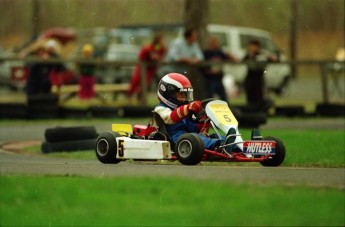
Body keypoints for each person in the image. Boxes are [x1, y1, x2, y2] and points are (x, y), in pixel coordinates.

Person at [154, 73, 237, 151]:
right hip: (176, 138)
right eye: (180, 94)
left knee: (215, 136)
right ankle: (220, 146)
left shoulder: (185, 110)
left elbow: (194, 129)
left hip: (191, 137)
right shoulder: (161, 109)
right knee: (198, 138)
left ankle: (236, 146)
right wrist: (188, 108)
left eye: (185, 94)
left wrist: (203, 119)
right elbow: (170, 118)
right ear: (168, 93)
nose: (184, 97)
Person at [242, 39, 277, 111]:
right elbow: (242, 60)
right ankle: (251, 112)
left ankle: (259, 111)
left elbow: (273, 59)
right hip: (250, 80)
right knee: (250, 98)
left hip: (259, 80)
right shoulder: (248, 55)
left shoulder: (262, 55)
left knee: (259, 97)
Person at [128, 33, 166, 98]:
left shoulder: (159, 47)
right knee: (135, 81)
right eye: (161, 40)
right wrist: (153, 56)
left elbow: (160, 54)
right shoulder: (149, 47)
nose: (162, 42)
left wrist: (157, 57)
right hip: (142, 67)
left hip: (150, 69)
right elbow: (145, 54)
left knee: (145, 84)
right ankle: (129, 96)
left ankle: (140, 98)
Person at [202, 36, 237, 101]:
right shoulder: (205, 53)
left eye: (216, 43)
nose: (214, 44)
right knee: (210, 98)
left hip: (218, 78)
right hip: (210, 79)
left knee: (223, 98)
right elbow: (201, 66)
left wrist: (228, 53)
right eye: (213, 43)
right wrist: (208, 72)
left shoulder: (219, 52)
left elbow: (233, 59)